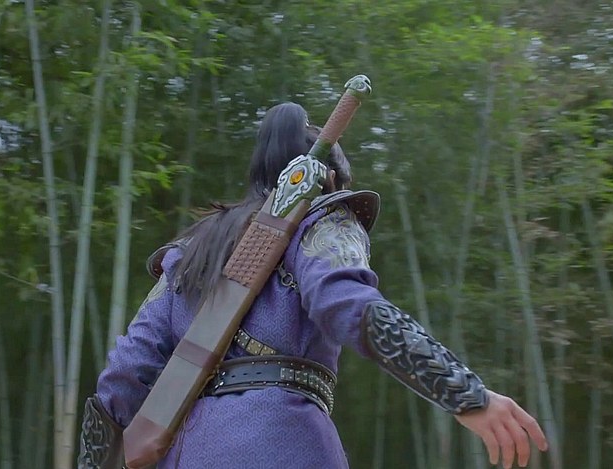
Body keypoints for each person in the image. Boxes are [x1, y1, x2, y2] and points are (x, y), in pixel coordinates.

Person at [81, 102, 548, 469]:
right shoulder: (324, 217)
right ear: (331, 180)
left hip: (185, 455)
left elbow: (121, 380)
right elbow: (356, 308)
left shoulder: (184, 255)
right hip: (283, 445)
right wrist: (462, 392)